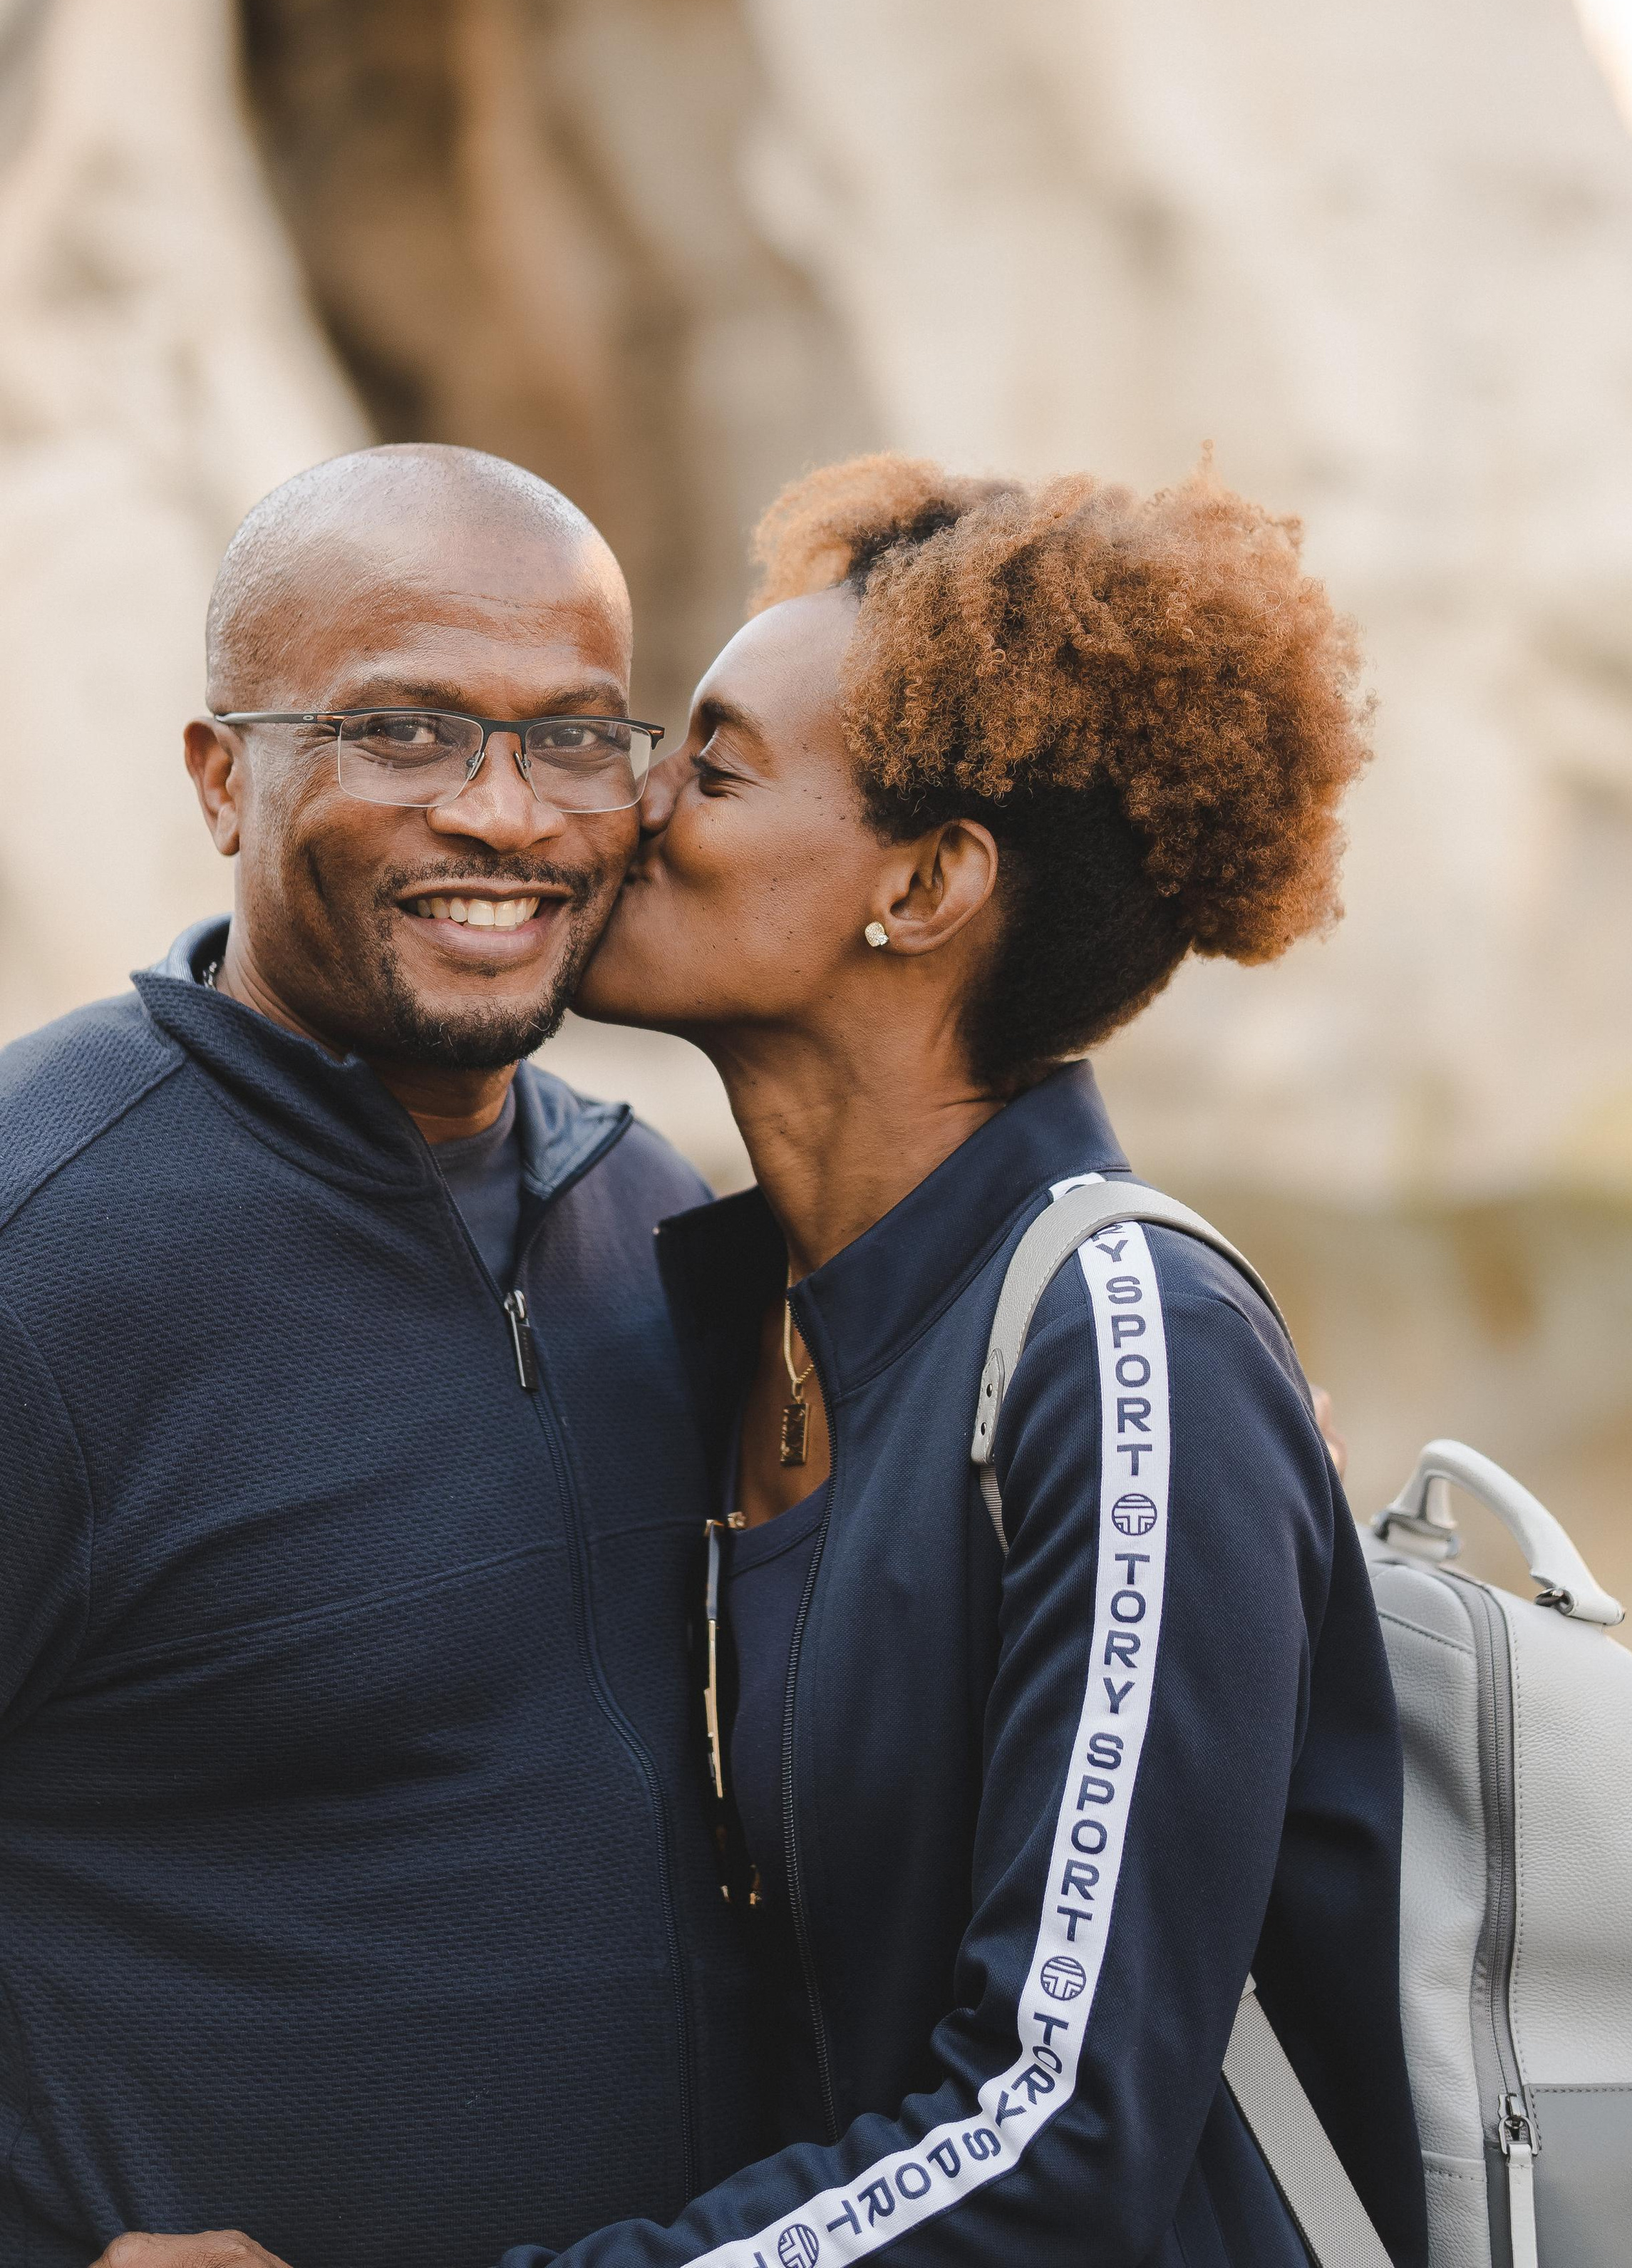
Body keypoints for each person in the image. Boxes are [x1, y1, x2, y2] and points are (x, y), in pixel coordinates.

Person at [110, 452, 1424, 2268]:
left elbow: (1056, 2137)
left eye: (712, 767)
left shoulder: (1130, 1347)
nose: (621, 804)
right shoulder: (739, 1311)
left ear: (926, 882)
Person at [0, 445, 763, 2268]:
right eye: (402, 731)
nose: (505, 814)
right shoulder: (43, 1248)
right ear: (222, 778)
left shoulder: (649, 1209)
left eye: (571, 736)